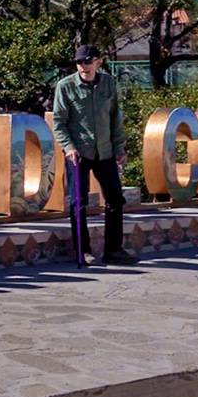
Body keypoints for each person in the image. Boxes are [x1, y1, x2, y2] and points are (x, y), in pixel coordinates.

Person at [51, 45, 137, 267]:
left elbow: (115, 116)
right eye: (80, 62)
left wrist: (119, 147)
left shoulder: (108, 82)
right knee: (79, 201)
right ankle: (83, 251)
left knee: (115, 199)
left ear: (98, 62)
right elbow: (59, 123)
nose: (83, 66)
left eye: (88, 62)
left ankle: (113, 250)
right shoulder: (66, 86)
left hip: (105, 151)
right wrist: (69, 147)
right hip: (79, 153)